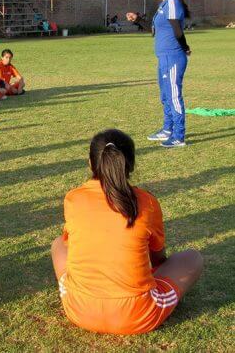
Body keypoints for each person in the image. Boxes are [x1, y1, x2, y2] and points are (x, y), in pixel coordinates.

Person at [50, 129, 203, 335]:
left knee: (58, 244)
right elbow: (158, 257)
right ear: (130, 164)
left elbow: (74, 244)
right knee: (192, 258)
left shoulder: (73, 198)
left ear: (90, 162)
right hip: (136, 315)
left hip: (79, 310)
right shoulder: (146, 201)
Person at [126, 0, 191, 148]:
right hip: (164, 58)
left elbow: (177, 31)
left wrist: (185, 47)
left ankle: (179, 136)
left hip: (173, 58)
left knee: (174, 96)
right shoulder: (164, 5)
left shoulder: (172, 3)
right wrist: (138, 20)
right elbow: (154, 30)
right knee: (165, 96)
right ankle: (167, 129)